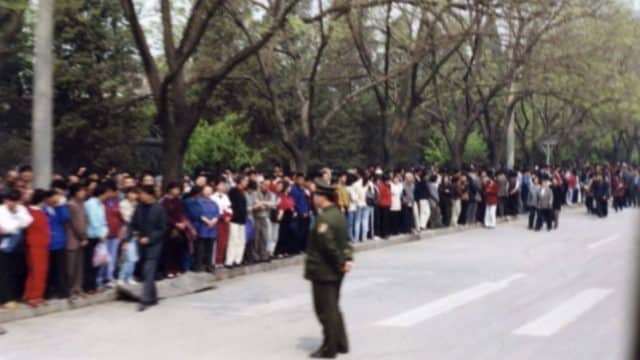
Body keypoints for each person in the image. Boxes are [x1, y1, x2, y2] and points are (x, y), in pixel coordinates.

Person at [304, 180, 353, 359]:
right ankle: (341, 342)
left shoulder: (324, 218)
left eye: (316, 195)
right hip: (336, 269)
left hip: (324, 270)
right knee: (333, 307)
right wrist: (348, 258)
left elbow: (328, 245)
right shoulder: (338, 215)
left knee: (325, 310)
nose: (314, 198)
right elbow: (346, 240)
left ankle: (329, 347)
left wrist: (340, 261)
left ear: (322, 197)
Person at [129, 185, 167, 312]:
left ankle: (144, 299)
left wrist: (150, 238)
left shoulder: (159, 209)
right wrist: (128, 237)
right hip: (141, 243)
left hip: (154, 244)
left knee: (148, 270)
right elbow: (132, 224)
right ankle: (153, 297)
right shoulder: (138, 208)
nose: (140, 196)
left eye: (143, 193)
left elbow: (163, 229)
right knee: (147, 271)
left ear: (150, 195)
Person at [0, 189, 33, 309]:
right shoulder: (1, 210)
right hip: (4, 245)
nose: (13, 203)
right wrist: (16, 226)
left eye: (16, 201)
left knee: (17, 271)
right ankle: (5, 298)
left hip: (18, 245)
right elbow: (4, 228)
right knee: (4, 273)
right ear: (6, 200)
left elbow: (28, 221)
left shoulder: (21, 209)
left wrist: (16, 214)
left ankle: (15, 295)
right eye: (10, 201)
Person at [23, 189, 51, 307]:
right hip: (35, 245)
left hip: (41, 245)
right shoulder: (30, 213)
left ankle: (32, 294)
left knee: (38, 270)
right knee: (37, 270)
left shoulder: (38, 212)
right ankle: (34, 296)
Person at [44, 189, 71, 299]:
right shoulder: (44, 209)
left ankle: (62, 291)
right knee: (50, 270)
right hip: (49, 242)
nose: (56, 199)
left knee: (61, 269)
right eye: (54, 197)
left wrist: (61, 205)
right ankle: (49, 292)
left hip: (59, 242)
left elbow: (66, 218)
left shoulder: (58, 208)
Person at [83, 184, 109, 294]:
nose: (107, 196)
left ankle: (94, 285)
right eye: (106, 194)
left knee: (97, 262)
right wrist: (100, 234)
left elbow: (103, 221)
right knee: (89, 262)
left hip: (100, 236)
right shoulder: (90, 204)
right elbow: (94, 221)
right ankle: (88, 286)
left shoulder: (101, 205)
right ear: (101, 194)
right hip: (91, 236)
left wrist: (105, 232)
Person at [161, 182, 191, 277]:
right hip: (169, 228)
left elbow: (182, 213)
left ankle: (177, 268)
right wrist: (175, 223)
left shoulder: (178, 200)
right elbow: (165, 215)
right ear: (170, 189)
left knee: (178, 248)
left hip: (180, 228)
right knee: (169, 250)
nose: (177, 191)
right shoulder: (164, 201)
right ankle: (168, 270)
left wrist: (183, 222)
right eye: (176, 189)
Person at [66, 183, 88, 298]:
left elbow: (85, 220)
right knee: (71, 267)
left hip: (81, 238)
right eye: (81, 191)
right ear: (76, 192)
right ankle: (69, 289)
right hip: (73, 239)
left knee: (79, 266)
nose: (84, 193)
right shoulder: (71, 205)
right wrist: (83, 237)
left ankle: (78, 287)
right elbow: (76, 224)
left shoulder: (82, 204)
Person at [102, 180, 123, 288]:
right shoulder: (102, 203)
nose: (112, 194)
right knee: (103, 257)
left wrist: (119, 232)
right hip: (105, 234)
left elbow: (120, 218)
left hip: (115, 233)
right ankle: (101, 278)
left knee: (112, 257)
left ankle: (110, 277)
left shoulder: (116, 202)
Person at [194, 186, 219, 272]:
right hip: (202, 226)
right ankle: (199, 265)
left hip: (212, 228)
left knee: (210, 248)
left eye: (210, 191)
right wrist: (208, 221)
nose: (208, 192)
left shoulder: (214, 203)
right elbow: (198, 213)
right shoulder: (199, 202)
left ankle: (209, 265)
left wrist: (213, 221)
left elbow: (217, 213)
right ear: (203, 192)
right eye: (206, 191)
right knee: (200, 247)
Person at [226, 175, 248, 267]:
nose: (246, 182)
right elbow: (232, 205)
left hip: (242, 219)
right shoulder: (233, 191)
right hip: (234, 219)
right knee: (233, 240)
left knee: (241, 240)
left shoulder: (243, 192)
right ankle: (229, 261)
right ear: (240, 181)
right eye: (245, 180)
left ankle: (238, 260)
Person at [253, 180, 277, 262]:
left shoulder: (270, 193)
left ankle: (264, 255)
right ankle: (255, 256)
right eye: (265, 185)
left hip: (266, 217)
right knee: (256, 237)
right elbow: (256, 203)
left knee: (265, 237)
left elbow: (273, 204)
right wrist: (265, 204)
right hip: (256, 217)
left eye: (268, 185)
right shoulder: (256, 193)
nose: (266, 186)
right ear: (261, 185)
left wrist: (262, 203)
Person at [275, 181, 297, 257]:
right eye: (288, 187)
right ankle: (279, 251)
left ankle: (286, 250)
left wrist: (294, 211)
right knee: (282, 234)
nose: (290, 189)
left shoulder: (290, 197)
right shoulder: (281, 196)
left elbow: (292, 206)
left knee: (288, 234)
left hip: (289, 216)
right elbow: (280, 206)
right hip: (283, 216)